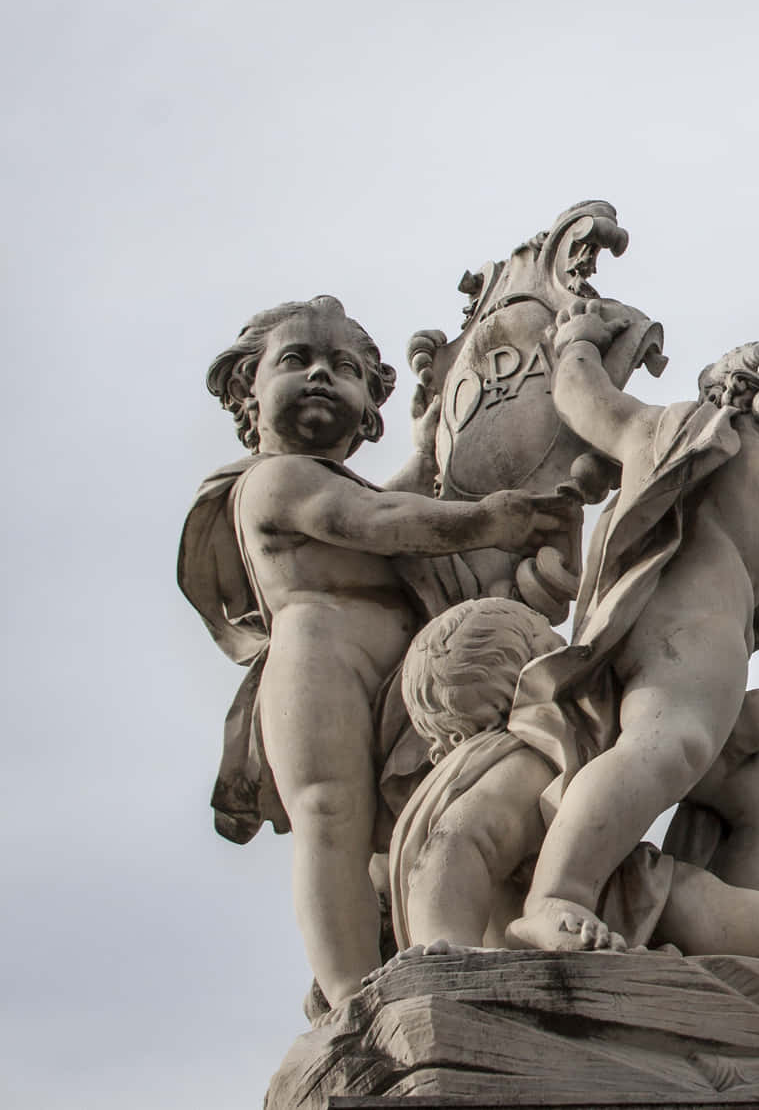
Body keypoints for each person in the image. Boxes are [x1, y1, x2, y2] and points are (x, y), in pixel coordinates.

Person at [178, 296, 579, 1008]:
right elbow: (378, 521)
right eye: (297, 361)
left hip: (392, 677)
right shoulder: (273, 478)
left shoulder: (332, 480)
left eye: (345, 368)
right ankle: (346, 992)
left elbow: (383, 500)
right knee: (332, 818)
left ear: (368, 409)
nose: (322, 376)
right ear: (248, 391)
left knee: (378, 837)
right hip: (317, 665)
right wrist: (486, 520)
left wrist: (427, 447)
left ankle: (404, 945)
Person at [501, 301, 759, 953]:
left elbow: (585, 397)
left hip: (676, 634)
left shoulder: (676, 432)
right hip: (698, 634)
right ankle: (560, 893)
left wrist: (579, 339)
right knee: (668, 744)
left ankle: (756, 946)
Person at [387, 597, 759, 973]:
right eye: (550, 642)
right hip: (530, 926)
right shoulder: (521, 757)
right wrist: (444, 943)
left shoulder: (563, 744)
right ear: (530, 673)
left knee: (694, 900)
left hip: (612, 893)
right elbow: (456, 844)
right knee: (691, 901)